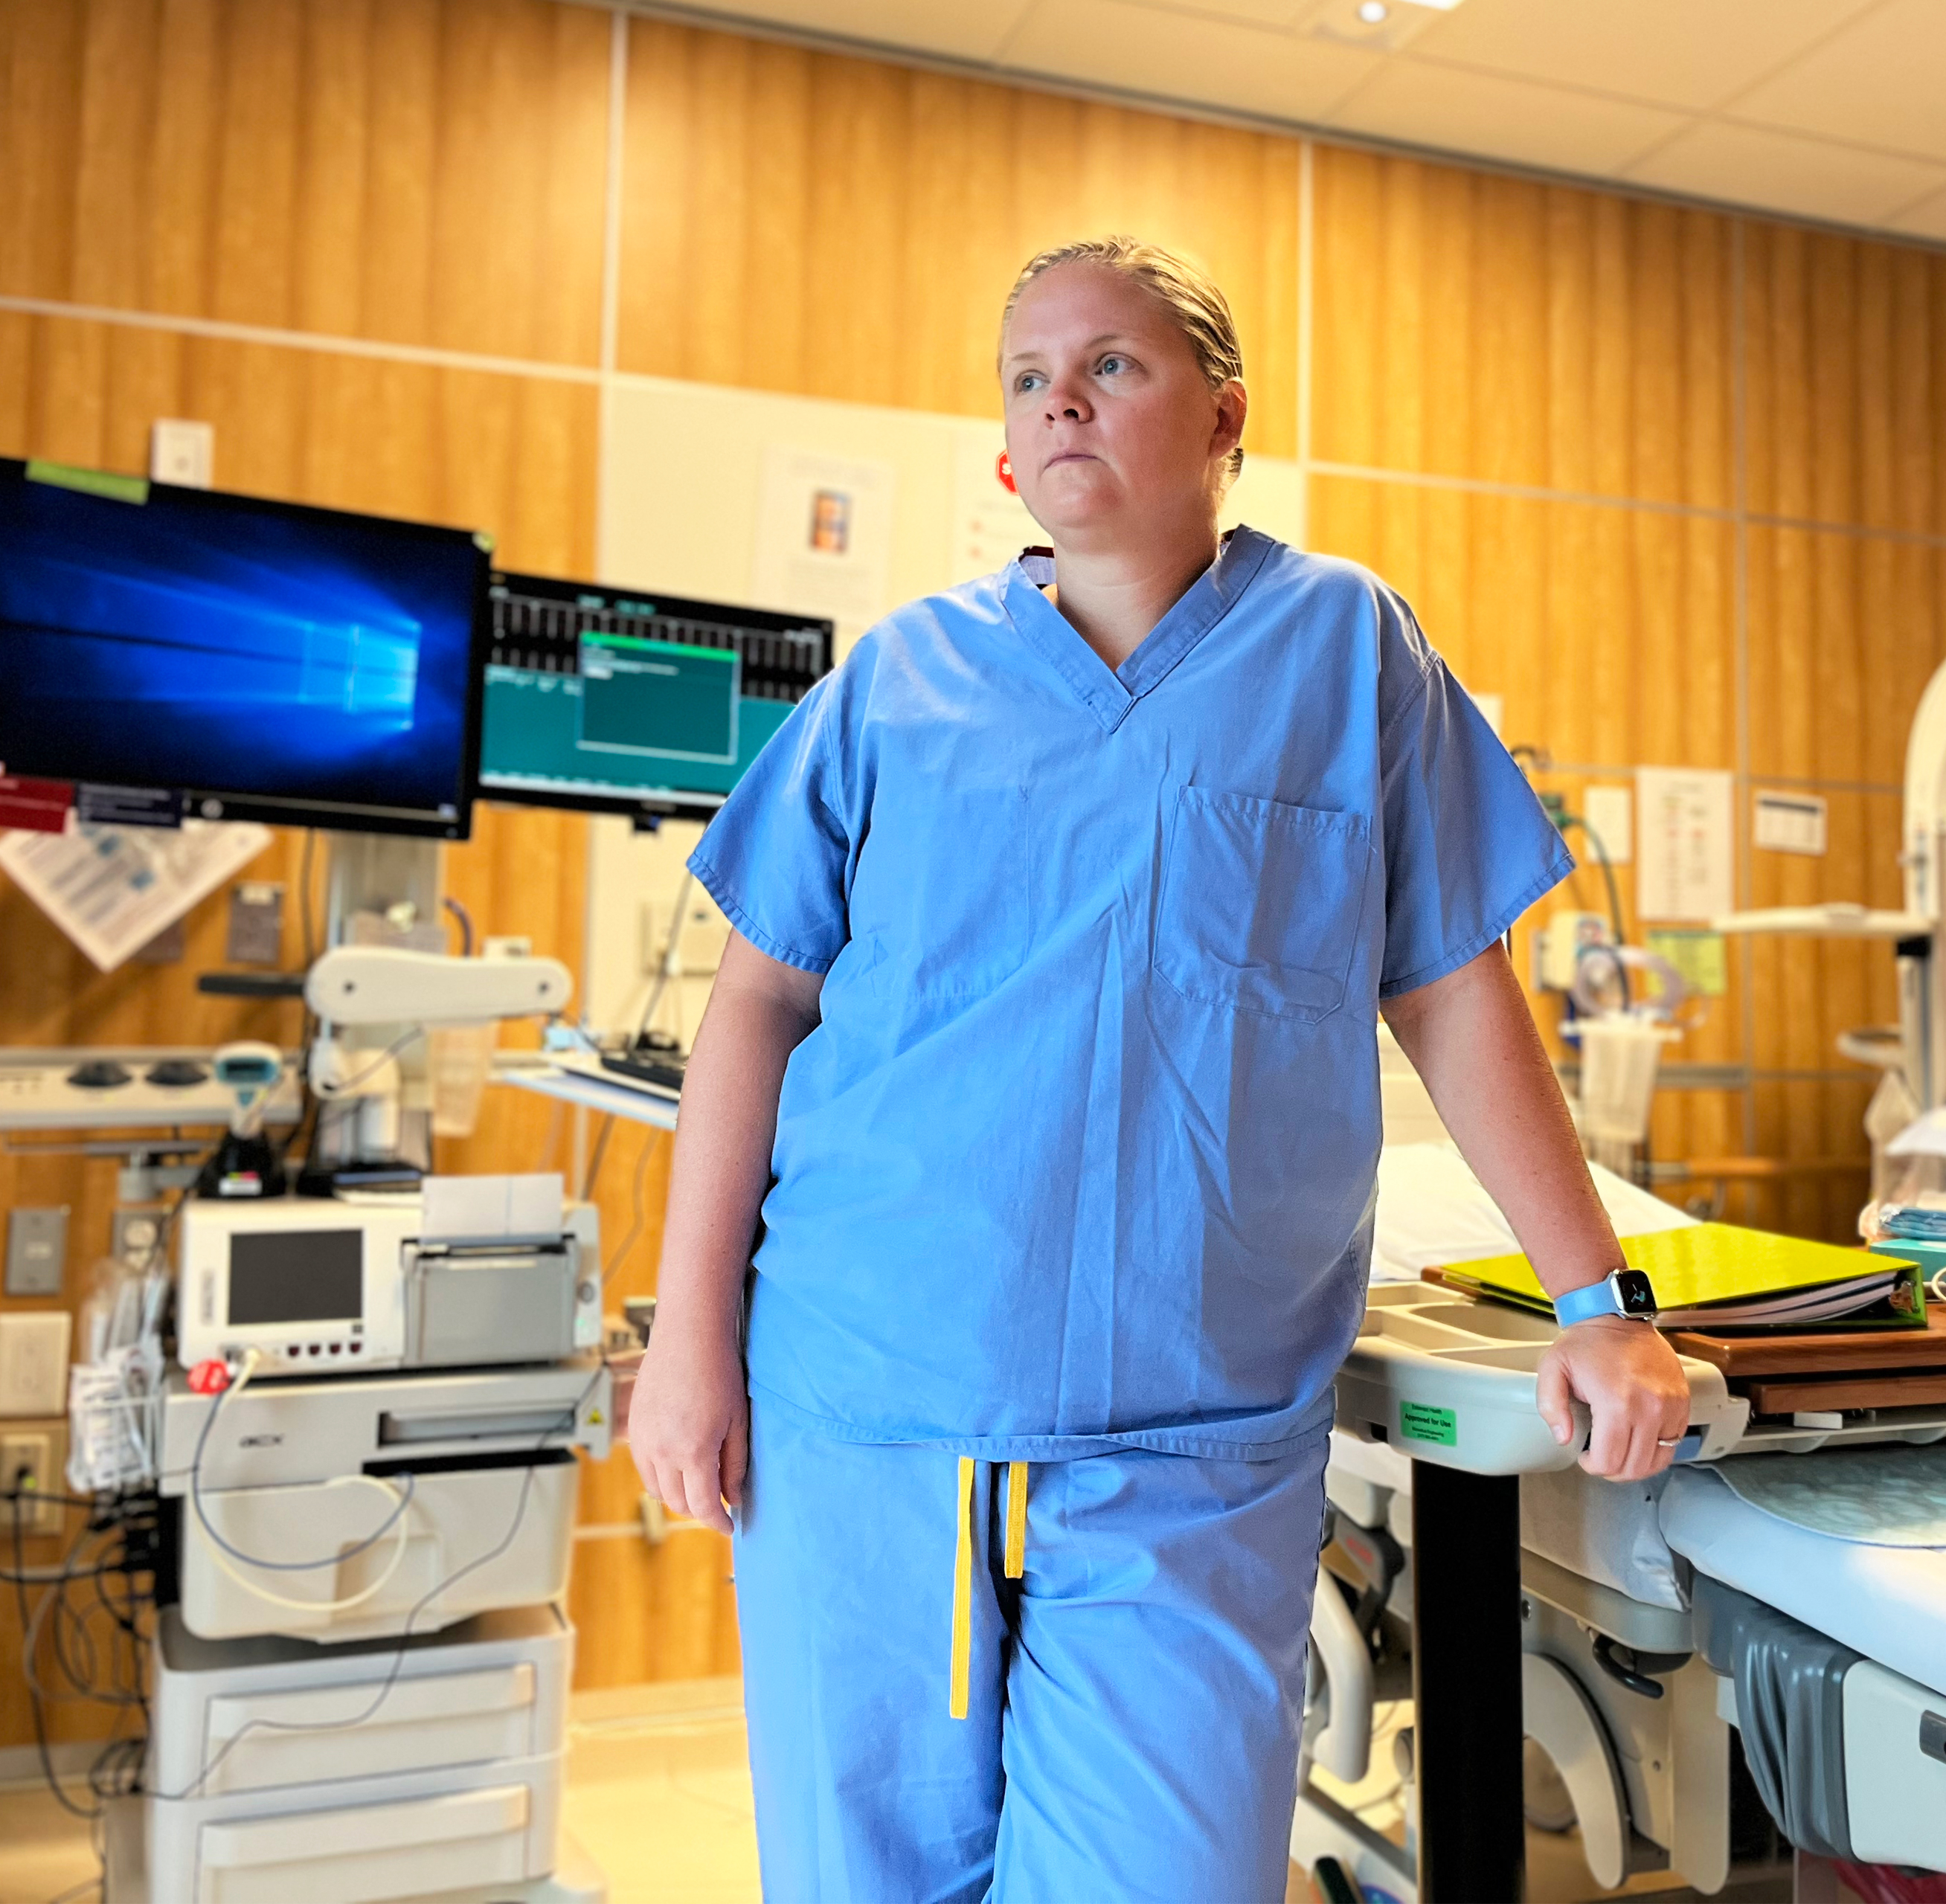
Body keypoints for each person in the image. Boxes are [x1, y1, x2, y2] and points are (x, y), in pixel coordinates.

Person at [626, 234, 1690, 1903]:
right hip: (872, 1398)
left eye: (1110, 363)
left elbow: (1449, 987)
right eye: (1028, 378)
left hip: (1189, 1434)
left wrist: (1596, 1298)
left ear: (1223, 416)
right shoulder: (899, 680)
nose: (1063, 400)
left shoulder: (1345, 647)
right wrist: (687, 1341)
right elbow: (752, 1006)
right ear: (1001, 458)